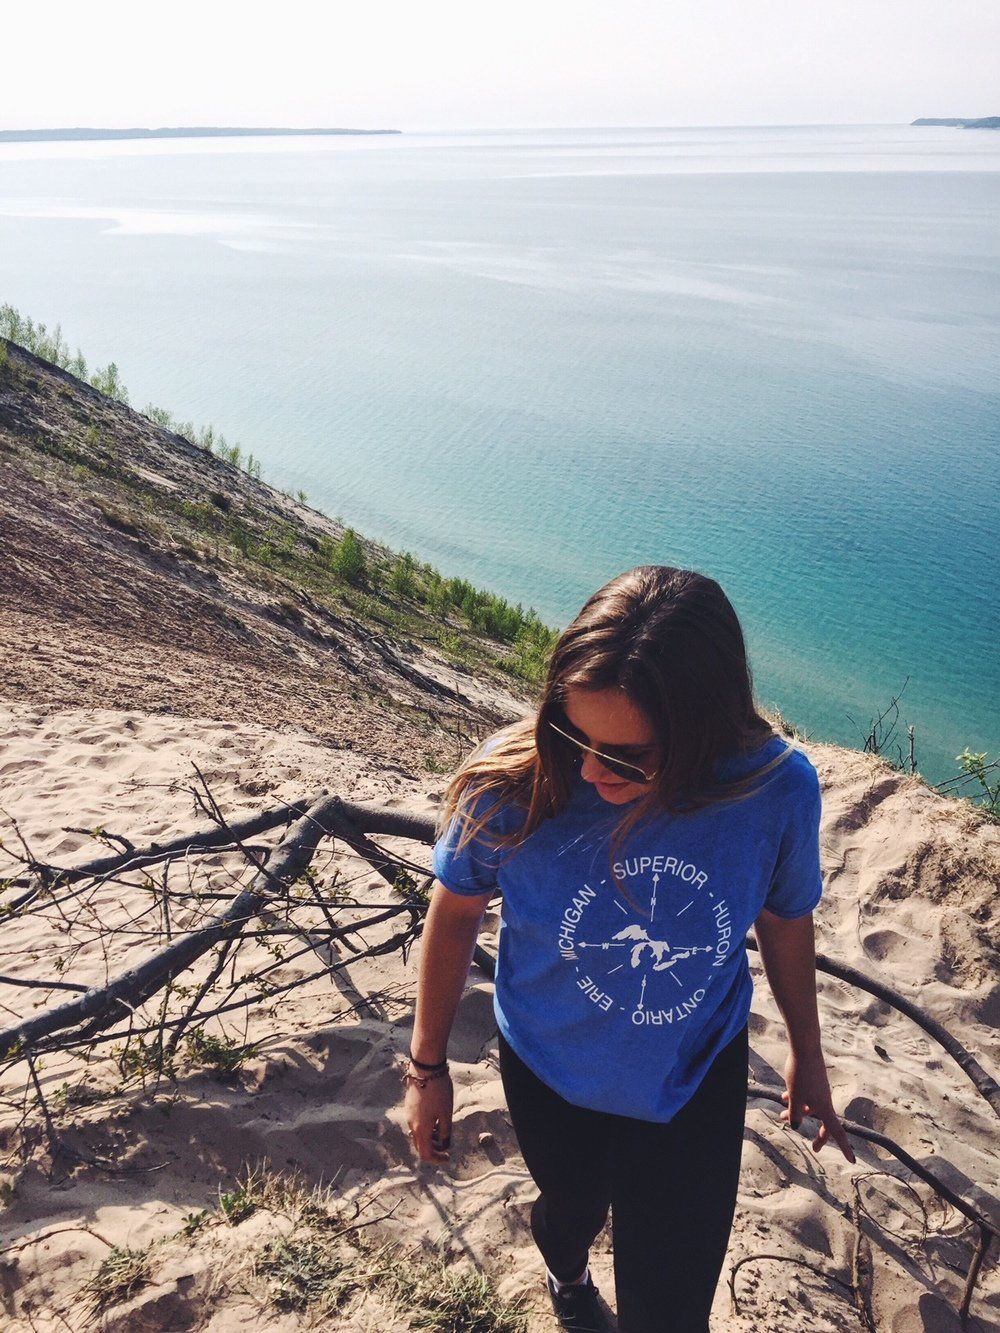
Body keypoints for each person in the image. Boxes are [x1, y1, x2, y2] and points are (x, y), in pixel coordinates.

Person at [402, 566, 855, 1333]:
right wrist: (427, 1068)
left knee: (670, 1313)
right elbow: (453, 916)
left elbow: (784, 919)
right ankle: (565, 1269)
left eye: (624, 755)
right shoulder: (516, 781)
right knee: (570, 1210)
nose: (586, 769)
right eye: (574, 733)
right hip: (549, 1068)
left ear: (702, 729)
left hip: (694, 1077)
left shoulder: (775, 791)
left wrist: (807, 1053)